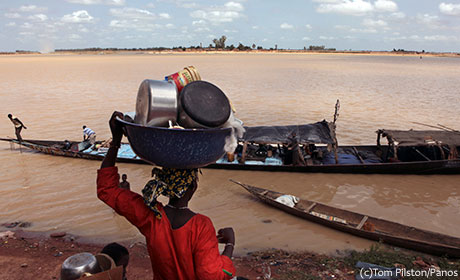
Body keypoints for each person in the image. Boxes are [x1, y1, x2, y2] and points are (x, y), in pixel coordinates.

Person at [97, 111, 236, 280]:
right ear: (193, 186)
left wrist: (116, 141)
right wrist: (230, 244)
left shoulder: (150, 216)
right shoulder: (201, 226)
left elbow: (107, 189)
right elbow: (211, 274)